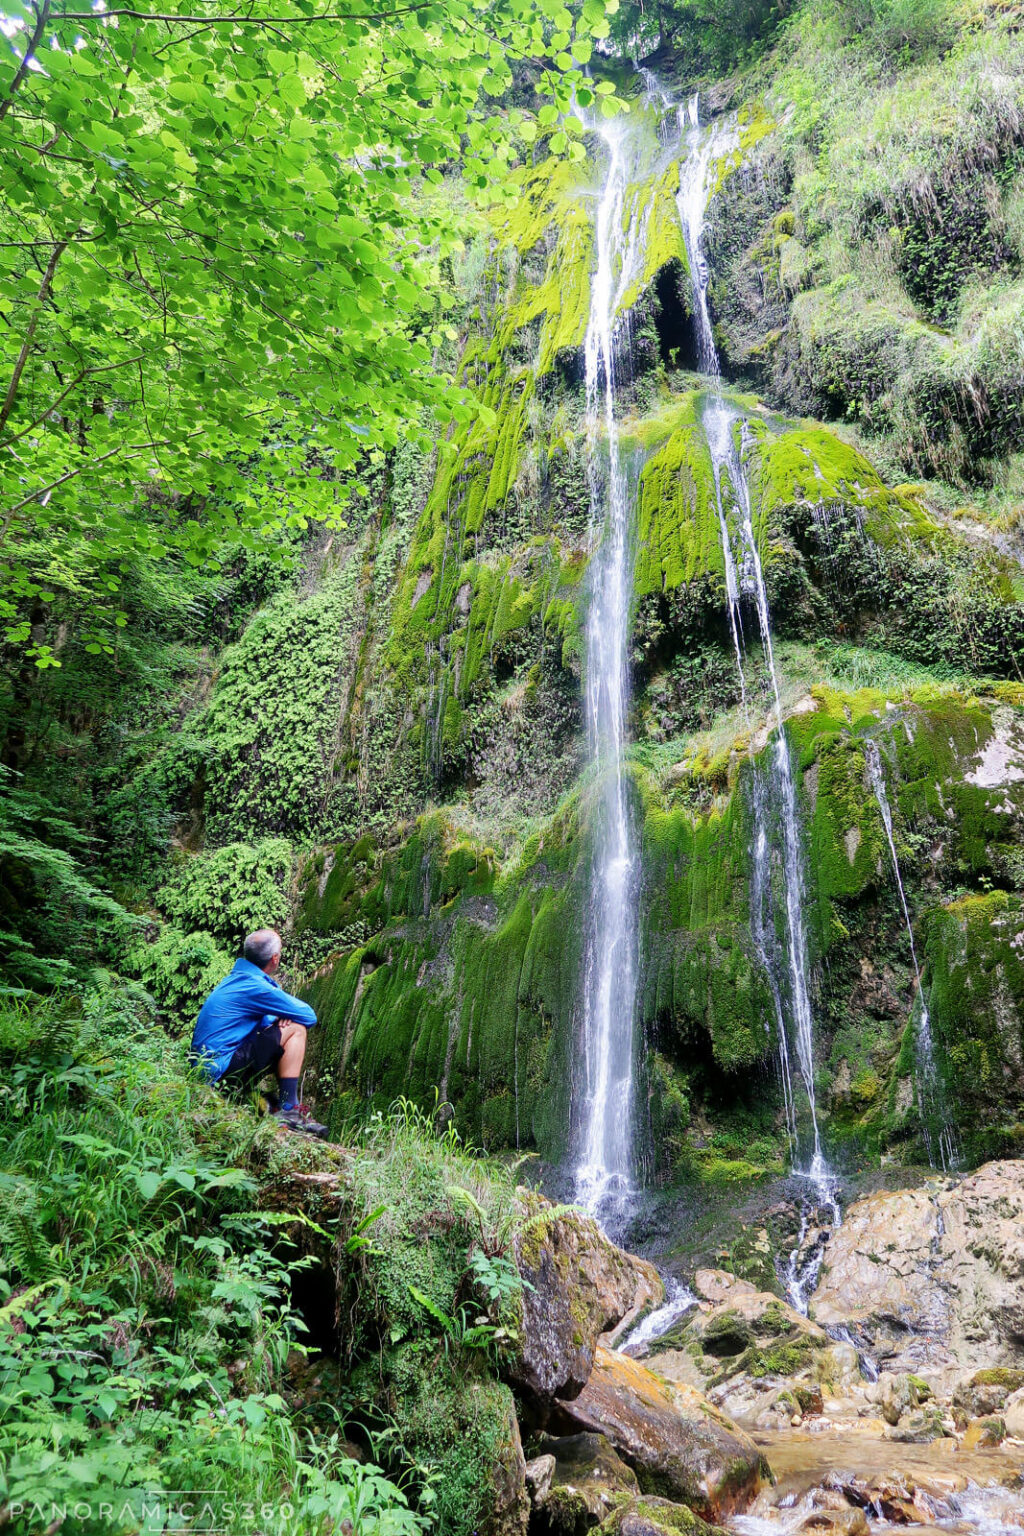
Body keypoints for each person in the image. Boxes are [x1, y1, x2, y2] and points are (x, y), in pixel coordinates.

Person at [190, 928, 327, 1137]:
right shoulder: (255, 986)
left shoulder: (237, 979)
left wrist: (278, 1018)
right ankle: (289, 1110)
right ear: (274, 958)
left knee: (283, 1027)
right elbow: (308, 1016)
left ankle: (270, 1103)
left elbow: (261, 1021)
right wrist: (284, 1018)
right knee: (296, 1029)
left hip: (208, 1070)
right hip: (221, 1071)